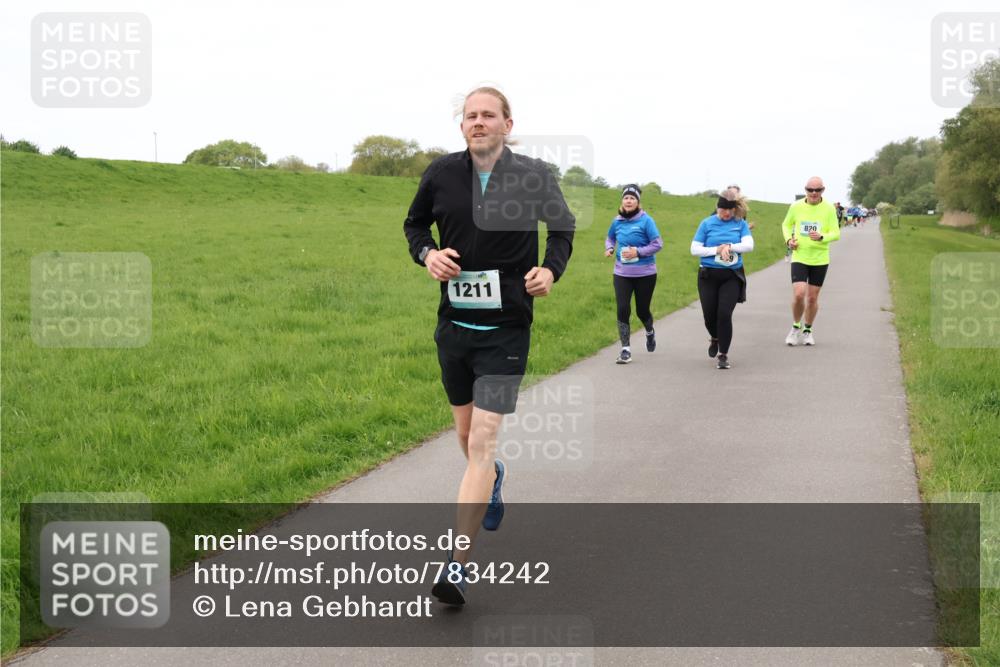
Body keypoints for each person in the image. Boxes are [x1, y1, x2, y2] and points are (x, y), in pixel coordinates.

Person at [403, 86, 575, 606]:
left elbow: (562, 228)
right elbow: (414, 226)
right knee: (467, 440)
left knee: (481, 441)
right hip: (454, 328)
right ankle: (494, 476)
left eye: (488, 115)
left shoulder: (533, 175)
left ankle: (457, 565)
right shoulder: (441, 173)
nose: (478, 122)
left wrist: (551, 269)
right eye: (470, 116)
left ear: (507, 123)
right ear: (463, 127)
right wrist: (427, 255)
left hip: (507, 327)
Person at [690, 187, 754, 369]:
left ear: (734, 209)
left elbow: (749, 245)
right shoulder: (707, 223)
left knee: (724, 314)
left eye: (729, 210)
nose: (726, 213)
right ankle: (715, 337)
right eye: (722, 209)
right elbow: (694, 249)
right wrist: (717, 250)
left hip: (731, 276)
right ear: (717, 208)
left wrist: (730, 246)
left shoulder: (739, 224)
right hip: (708, 275)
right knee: (709, 316)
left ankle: (723, 355)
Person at [605, 184, 663, 364]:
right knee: (623, 308)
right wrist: (610, 247)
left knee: (641, 310)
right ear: (622, 201)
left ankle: (649, 331)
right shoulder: (617, 221)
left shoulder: (646, 221)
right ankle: (625, 349)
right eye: (626, 198)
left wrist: (637, 252)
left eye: (632, 198)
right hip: (622, 273)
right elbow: (610, 237)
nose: (628, 201)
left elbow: (657, 244)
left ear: (638, 202)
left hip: (645, 273)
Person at [782, 176, 840, 346]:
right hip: (800, 255)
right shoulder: (796, 206)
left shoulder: (829, 208)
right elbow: (786, 225)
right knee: (799, 294)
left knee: (812, 298)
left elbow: (836, 233)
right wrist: (788, 240)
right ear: (805, 190)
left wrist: (822, 236)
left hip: (820, 258)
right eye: (810, 190)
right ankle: (795, 327)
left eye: (818, 190)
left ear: (823, 190)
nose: (814, 193)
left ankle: (808, 330)